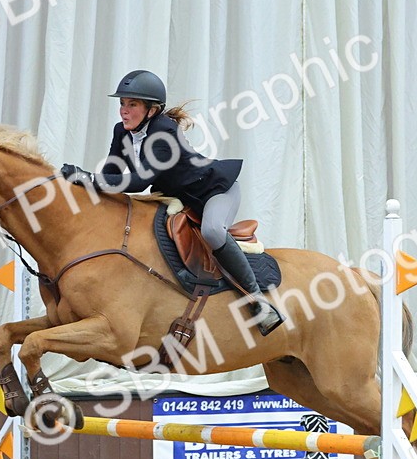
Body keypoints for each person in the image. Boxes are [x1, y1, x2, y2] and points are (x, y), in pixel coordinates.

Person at [61, 70, 284, 335]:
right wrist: (82, 183)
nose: (124, 111)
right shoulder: (121, 131)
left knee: (212, 231)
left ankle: (258, 302)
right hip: (178, 198)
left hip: (213, 192)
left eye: (132, 104)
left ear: (152, 110)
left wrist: (86, 176)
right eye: (122, 103)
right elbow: (112, 172)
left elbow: (137, 183)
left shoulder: (164, 132)